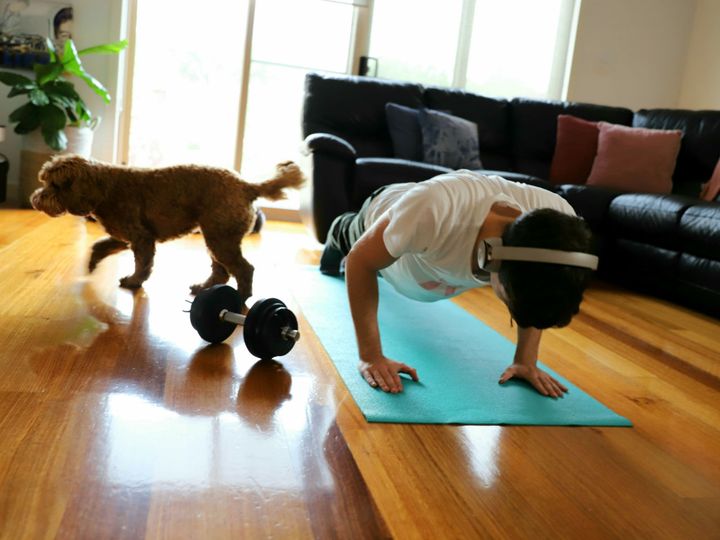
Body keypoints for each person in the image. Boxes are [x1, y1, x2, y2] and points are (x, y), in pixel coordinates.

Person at [319, 170, 595, 398]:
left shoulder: (559, 226)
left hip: (426, 259)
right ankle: (336, 231)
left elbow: (538, 282)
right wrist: (370, 356)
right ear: (492, 255)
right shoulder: (435, 209)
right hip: (387, 217)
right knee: (349, 238)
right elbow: (360, 261)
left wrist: (526, 360)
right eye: (511, 303)